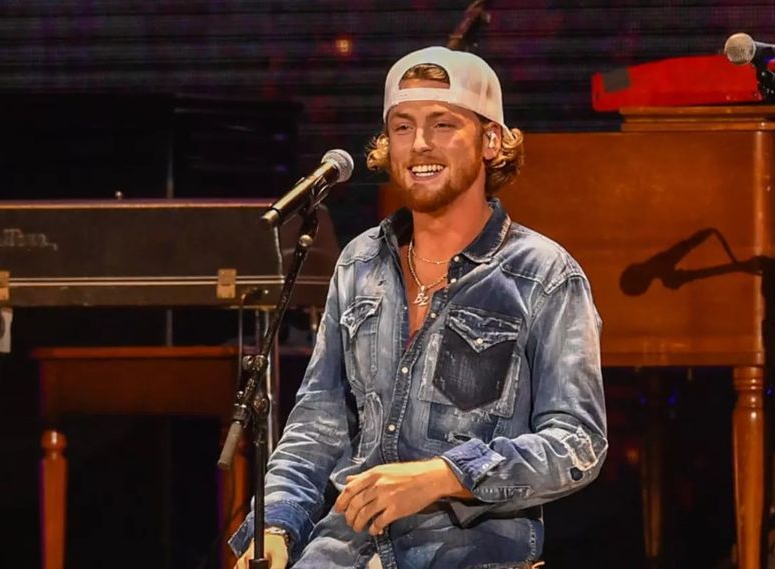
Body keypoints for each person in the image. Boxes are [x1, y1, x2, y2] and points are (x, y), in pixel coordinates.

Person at [231, 45, 607, 569]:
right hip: (343, 548)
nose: (420, 144)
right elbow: (318, 424)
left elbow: (577, 443)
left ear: (491, 141)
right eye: (402, 127)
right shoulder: (359, 263)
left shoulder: (543, 274)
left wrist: (442, 476)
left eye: (443, 124)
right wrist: (275, 524)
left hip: (466, 552)